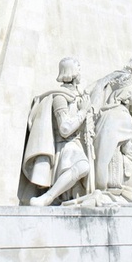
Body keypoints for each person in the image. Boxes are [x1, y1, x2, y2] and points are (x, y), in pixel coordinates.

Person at [22, 57, 93, 206]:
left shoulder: (78, 97)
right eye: (78, 69)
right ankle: (47, 197)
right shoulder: (60, 97)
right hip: (64, 145)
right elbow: (65, 128)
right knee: (82, 166)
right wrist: (83, 112)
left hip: (77, 145)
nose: (80, 73)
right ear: (72, 72)